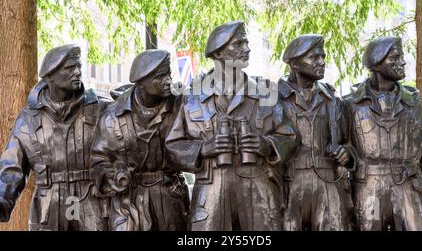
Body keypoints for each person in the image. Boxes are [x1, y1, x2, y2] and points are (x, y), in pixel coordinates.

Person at [165, 21, 297, 231]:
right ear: (217, 54)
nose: (247, 48)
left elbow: (289, 137)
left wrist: (267, 145)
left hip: (258, 193)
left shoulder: (265, 92)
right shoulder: (192, 97)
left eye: (246, 43)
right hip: (211, 194)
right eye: (238, 44)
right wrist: (203, 149)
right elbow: (173, 146)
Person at [0, 44, 109, 230]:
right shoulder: (29, 119)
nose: (77, 72)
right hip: (48, 206)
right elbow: (12, 167)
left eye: (79, 66)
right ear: (50, 74)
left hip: (90, 203)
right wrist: (3, 199)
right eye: (70, 68)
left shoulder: (99, 109)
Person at [344, 36, 422, 230]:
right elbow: (342, 149)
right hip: (368, 193)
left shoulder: (419, 107)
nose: (403, 62)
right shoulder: (350, 106)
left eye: (402, 56)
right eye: (395, 58)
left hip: (410, 191)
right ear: (376, 63)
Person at [90, 49, 189, 231]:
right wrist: (112, 174)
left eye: (168, 74)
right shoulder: (112, 116)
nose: (168, 81)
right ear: (142, 82)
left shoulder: (180, 108)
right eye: (160, 77)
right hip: (128, 204)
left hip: (168, 199)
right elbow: (98, 160)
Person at [280, 34, 355, 231]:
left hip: (328, 182)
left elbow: (349, 141)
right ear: (295, 63)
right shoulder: (273, 99)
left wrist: (346, 153)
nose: (322, 62)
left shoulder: (332, 100)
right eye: (314, 58)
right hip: (289, 184)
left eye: (323, 57)